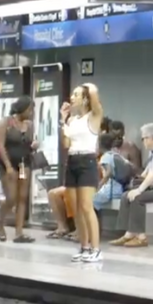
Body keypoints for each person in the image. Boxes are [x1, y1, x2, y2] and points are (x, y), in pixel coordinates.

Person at [61, 84, 106, 263]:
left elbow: (95, 99)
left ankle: (96, 249)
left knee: (87, 206)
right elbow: (66, 143)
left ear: (85, 98)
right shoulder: (73, 120)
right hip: (72, 160)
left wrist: (89, 87)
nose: (72, 97)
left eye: (76, 94)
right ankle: (84, 246)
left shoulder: (93, 117)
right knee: (76, 208)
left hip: (87, 161)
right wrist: (63, 119)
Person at [0, 96, 37, 243]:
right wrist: (7, 166)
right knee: (11, 197)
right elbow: (0, 145)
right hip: (9, 163)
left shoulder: (29, 125)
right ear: (22, 108)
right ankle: (0, 224)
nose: (31, 113)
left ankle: (19, 232)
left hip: (24, 163)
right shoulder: (6, 122)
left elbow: (29, 142)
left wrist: (34, 145)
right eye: (30, 109)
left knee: (22, 197)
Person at [93, 133, 126, 211]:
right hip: (118, 190)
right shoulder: (116, 155)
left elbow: (108, 172)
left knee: (86, 201)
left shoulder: (105, 157)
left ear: (99, 144)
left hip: (109, 192)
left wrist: (98, 186)